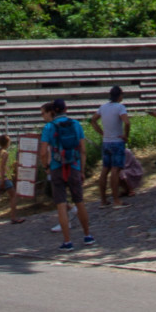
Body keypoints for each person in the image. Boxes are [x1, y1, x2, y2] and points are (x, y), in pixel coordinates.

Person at [40, 98, 94, 250]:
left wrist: (46, 167)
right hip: (74, 166)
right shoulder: (76, 124)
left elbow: (43, 152)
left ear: (53, 111)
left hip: (57, 168)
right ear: (66, 109)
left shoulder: (49, 127)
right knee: (80, 201)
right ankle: (87, 235)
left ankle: (67, 241)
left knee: (61, 205)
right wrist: (82, 169)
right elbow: (83, 149)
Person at [91, 86, 130, 209]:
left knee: (105, 170)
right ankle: (116, 200)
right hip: (117, 141)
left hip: (106, 141)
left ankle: (103, 200)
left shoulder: (103, 107)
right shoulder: (120, 107)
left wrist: (101, 132)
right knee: (115, 170)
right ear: (119, 96)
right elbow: (127, 122)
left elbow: (93, 120)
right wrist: (126, 135)